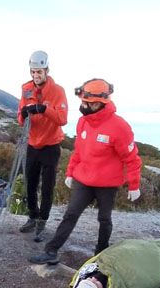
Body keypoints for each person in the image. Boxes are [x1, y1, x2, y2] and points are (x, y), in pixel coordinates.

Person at [29, 78, 142, 265]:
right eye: (82, 101)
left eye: (86, 103)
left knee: (104, 219)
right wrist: (70, 172)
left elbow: (131, 158)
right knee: (70, 214)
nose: (83, 106)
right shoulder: (83, 122)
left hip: (107, 184)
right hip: (84, 180)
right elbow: (79, 151)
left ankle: (101, 253)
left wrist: (134, 184)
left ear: (99, 103)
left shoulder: (119, 127)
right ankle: (51, 251)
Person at [17, 50, 69, 240]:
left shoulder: (58, 91)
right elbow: (20, 117)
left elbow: (62, 119)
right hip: (32, 144)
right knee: (30, 183)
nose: (36, 75)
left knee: (47, 186)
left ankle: (42, 220)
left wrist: (44, 109)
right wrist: (23, 115)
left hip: (50, 145)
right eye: (33, 72)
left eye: (39, 72)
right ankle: (32, 216)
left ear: (46, 70)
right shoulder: (26, 89)